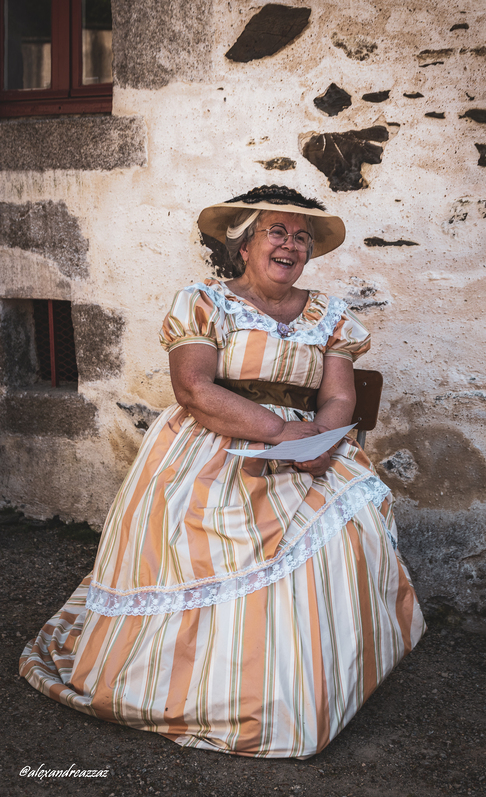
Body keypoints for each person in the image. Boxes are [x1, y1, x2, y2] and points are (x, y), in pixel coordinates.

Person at [20, 185, 425, 758]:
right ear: (245, 244)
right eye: (276, 232)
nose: (290, 245)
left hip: (308, 444)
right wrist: (280, 432)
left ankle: (310, 684)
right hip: (217, 439)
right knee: (202, 526)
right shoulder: (205, 301)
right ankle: (210, 691)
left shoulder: (332, 315)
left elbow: (338, 397)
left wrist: (325, 441)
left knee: (352, 519)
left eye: (301, 237)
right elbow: (193, 387)